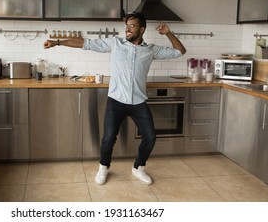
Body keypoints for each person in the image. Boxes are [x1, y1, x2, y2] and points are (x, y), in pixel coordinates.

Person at [43, 12, 186, 185]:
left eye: (132, 26)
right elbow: (84, 43)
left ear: (142, 29)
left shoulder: (151, 50)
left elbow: (180, 51)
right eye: (126, 25)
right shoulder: (115, 43)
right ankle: (103, 167)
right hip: (116, 101)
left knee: (150, 138)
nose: (127, 28)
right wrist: (57, 42)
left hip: (138, 102)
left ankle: (138, 168)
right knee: (108, 139)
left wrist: (168, 33)